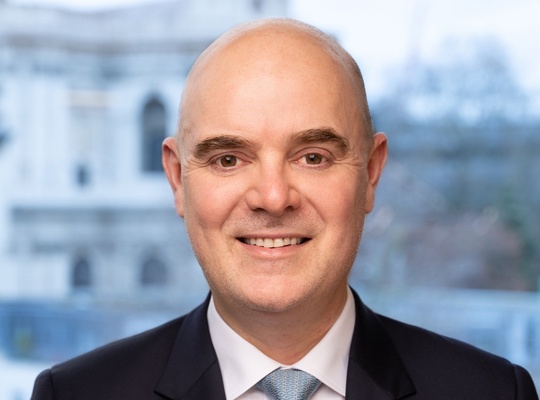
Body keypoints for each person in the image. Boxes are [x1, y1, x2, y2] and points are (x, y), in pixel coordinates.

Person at [31, 18, 538, 400]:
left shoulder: (494, 392)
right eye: (229, 159)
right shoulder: (74, 394)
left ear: (370, 172)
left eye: (313, 157)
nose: (273, 198)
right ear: (178, 179)